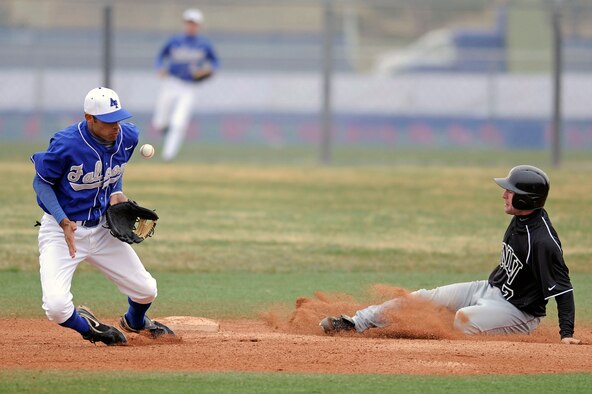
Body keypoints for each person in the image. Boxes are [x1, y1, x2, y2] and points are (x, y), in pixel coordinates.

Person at [320, 165, 581, 344]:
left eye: (510, 191)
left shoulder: (543, 242)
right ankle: (356, 323)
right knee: (424, 298)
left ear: (525, 200)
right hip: (487, 289)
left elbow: (563, 290)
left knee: (462, 320)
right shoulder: (522, 219)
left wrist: (566, 334)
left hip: (519, 313)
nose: (504, 194)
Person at [31, 87, 175, 346]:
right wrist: (62, 220)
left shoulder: (127, 137)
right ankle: (90, 329)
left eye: (118, 119)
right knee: (56, 307)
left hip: (102, 228)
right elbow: (42, 184)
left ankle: (135, 321)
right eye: (108, 122)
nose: (116, 127)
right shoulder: (66, 144)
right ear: (90, 118)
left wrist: (116, 190)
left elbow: (114, 165)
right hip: (63, 232)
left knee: (146, 290)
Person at [152, 8, 219, 161]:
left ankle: (168, 156)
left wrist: (210, 70)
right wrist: (159, 68)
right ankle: (164, 129)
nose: (191, 26)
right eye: (189, 23)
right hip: (171, 82)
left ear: (198, 26)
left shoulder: (204, 44)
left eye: (194, 23)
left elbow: (215, 61)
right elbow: (160, 56)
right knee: (160, 122)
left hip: (189, 86)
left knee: (178, 122)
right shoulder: (175, 41)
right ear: (185, 24)